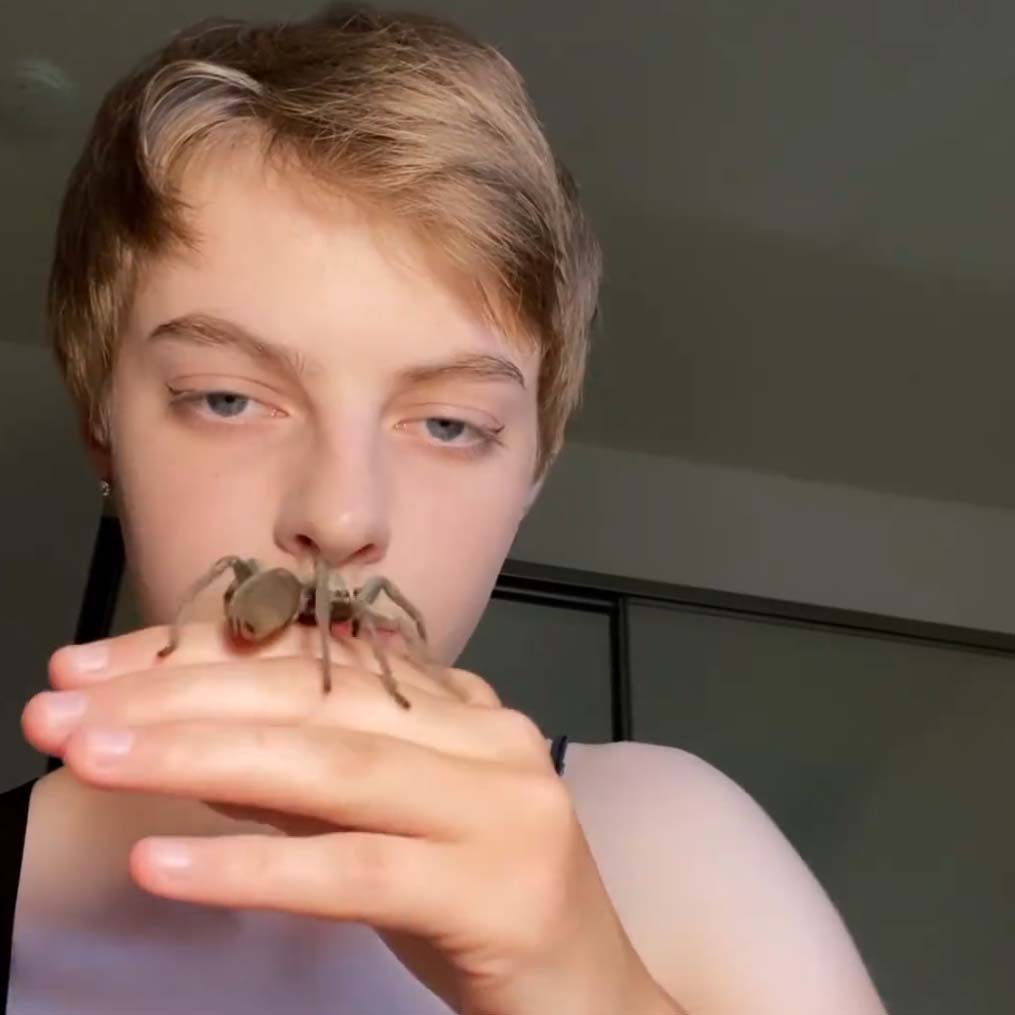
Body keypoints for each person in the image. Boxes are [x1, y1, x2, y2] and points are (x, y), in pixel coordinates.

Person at [3, 5, 887, 1014]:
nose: (341, 516)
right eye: (228, 399)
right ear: (102, 424)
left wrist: (587, 986)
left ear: (532, 473)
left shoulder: (674, 844)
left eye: (449, 424)